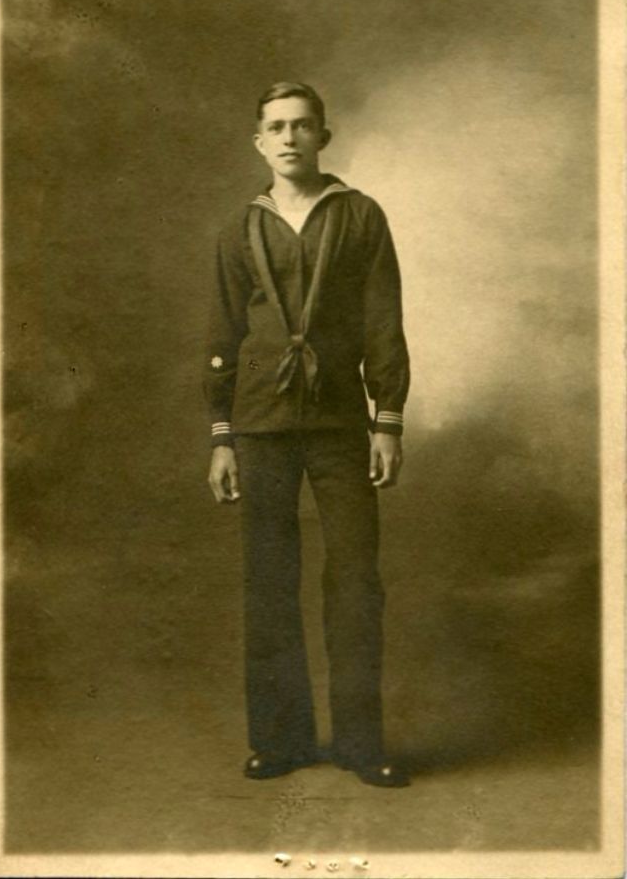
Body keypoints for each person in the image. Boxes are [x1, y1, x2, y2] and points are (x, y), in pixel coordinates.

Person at [203, 82, 410, 788]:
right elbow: (223, 332)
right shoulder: (241, 227)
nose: (289, 137)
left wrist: (387, 418)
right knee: (269, 581)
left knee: (355, 580)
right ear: (259, 142)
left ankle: (360, 743)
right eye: (276, 127)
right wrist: (222, 435)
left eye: (302, 125)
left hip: (339, 422)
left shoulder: (359, 215)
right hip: (259, 424)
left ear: (324, 135)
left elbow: (383, 319)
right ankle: (280, 740)